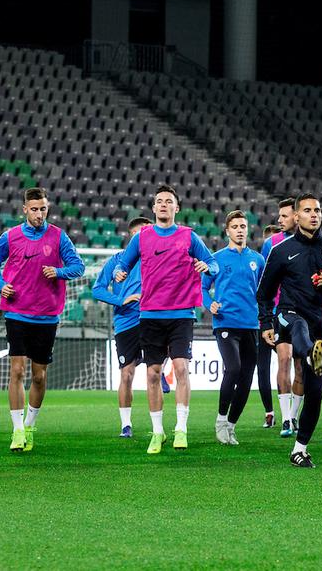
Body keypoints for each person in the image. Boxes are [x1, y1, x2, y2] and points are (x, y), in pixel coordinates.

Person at [114, 185, 219, 454]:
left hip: (182, 313)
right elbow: (123, 263)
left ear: (177, 208)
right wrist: (118, 272)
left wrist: (207, 266)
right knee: (152, 373)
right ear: (153, 208)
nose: (163, 205)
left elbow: (213, 264)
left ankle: (181, 429)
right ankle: (158, 431)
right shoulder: (142, 238)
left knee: (181, 368)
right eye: (159, 201)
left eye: (168, 201)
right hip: (149, 314)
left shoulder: (188, 236)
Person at [256, 193, 322, 468]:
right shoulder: (281, 251)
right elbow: (264, 293)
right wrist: (266, 322)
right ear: (297, 216)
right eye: (308, 210)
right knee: (298, 326)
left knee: (315, 393)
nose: (314, 214)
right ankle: (311, 351)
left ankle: (300, 449)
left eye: (318, 210)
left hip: (321, 327)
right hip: (288, 317)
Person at [0, 187, 85, 453]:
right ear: (24, 210)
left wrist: (58, 271)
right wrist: (0, 284)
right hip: (17, 312)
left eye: (43, 209)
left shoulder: (58, 236)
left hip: (46, 315)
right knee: (16, 371)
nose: (39, 214)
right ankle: (17, 430)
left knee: (39, 376)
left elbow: (79, 266)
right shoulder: (12, 236)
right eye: (34, 209)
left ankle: (30, 424)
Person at [202, 210, 265, 446]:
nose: (240, 230)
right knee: (233, 368)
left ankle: (231, 426)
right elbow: (202, 288)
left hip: (251, 324)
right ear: (227, 230)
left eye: (243, 226)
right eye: (235, 226)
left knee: (248, 377)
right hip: (226, 323)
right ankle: (220, 420)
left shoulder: (257, 260)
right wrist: (211, 304)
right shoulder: (216, 259)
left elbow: (264, 293)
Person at [92, 217, 152, 438]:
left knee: (155, 367)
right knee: (126, 374)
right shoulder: (117, 262)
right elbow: (97, 289)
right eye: (138, 233)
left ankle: (161, 368)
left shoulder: (154, 260)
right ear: (131, 236)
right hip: (125, 323)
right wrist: (121, 300)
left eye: (146, 232)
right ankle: (126, 424)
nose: (142, 237)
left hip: (149, 318)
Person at [261, 198, 304, 437]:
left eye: (284, 216)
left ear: (296, 217)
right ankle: (286, 418)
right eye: (279, 216)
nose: (279, 220)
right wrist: (265, 317)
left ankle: (294, 415)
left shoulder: (309, 244)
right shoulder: (271, 245)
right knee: (284, 360)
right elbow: (265, 284)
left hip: (305, 314)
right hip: (280, 312)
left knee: (300, 366)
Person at [256, 223, 282, 427]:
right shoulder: (261, 264)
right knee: (263, 368)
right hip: (266, 317)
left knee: (287, 365)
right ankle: (270, 412)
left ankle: (287, 414)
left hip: (283, 315)